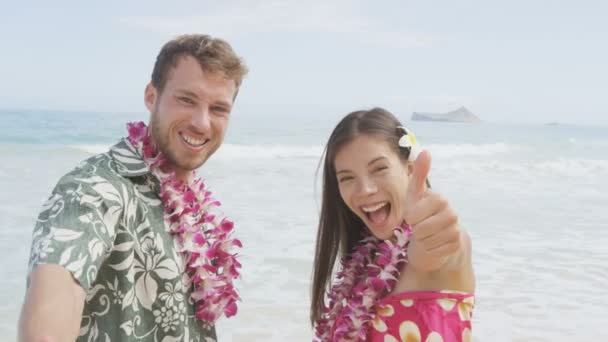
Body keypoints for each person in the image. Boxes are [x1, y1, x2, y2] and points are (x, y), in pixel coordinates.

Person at [18, 34, 248, 342]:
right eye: (186, 100)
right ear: (151, 96)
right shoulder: (95, 188)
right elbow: (52, 309)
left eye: (218, 109)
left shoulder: (191, 202)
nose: (202, 123)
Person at [310, 108, 475, 341]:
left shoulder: (428, 251)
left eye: (379, 169)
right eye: (347, 178)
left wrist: (443, 237)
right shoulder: (364, 265)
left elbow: (445, 250)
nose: (365, 189)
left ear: (409, 169)